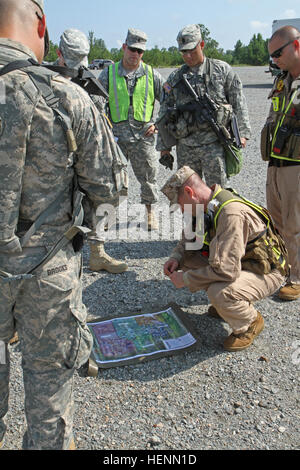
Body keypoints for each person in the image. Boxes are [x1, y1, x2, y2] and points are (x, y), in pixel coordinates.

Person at [0, 0, 125, 450]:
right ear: (42, 26)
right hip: (48, 275)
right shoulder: (67, 97)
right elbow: (110, 189)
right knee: (49, 394)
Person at [161, 166, 288, 351]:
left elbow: (226, 271)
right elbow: (189, 240)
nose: (181, 210)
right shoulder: (204, 206)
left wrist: (186, 279)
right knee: (188, 261)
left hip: (266, 270)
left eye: (180, 204)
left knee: (219, 292)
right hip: (241, 262)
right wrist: (176, 258)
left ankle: (249, 323)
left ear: (189, 192)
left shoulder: (230, 213)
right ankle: (227, 308)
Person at [56, 28, 128, 274]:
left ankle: (97, 254)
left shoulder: (90, 83)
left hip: (86, 155)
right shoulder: (48, 80)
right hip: (58, 158)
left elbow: (102, 120)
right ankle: (61, 262)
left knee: (97, 200)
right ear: (59, 55)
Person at [157, 24, 251, 187]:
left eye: (191, 50)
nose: (187, 55)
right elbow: (164, 112)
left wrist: (241, 133)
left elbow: (238, 102)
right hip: (186, 147)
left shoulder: (221, 70)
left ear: (201, 44)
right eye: (183, 51)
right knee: (190, 194)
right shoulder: (175, 78)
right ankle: (195, 214)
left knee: (219, 193)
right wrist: (164, 147)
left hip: (214, 144)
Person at [98, 28, 164, 230]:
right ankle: (108, 215)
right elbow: (96, 102)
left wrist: (158, 124)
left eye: (140, 51)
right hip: (115, 138)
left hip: (143, 138)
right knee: (110, 178)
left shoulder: (152, 74)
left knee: (148, 178)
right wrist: (104, 126)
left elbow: (170, 103)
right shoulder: (108, 73)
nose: (135, 54)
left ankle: (150, 214)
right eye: (132, 49)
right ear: (124, 47)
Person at [261, 25, 300, 301]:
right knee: (276, 222)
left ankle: (297, 277)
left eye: (278, 53)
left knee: (295, 222)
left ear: (296, 46)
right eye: (271, 55)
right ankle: (283, 268)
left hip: (296, 165)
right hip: (276, 162)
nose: (274, 59)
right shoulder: (282, 80)